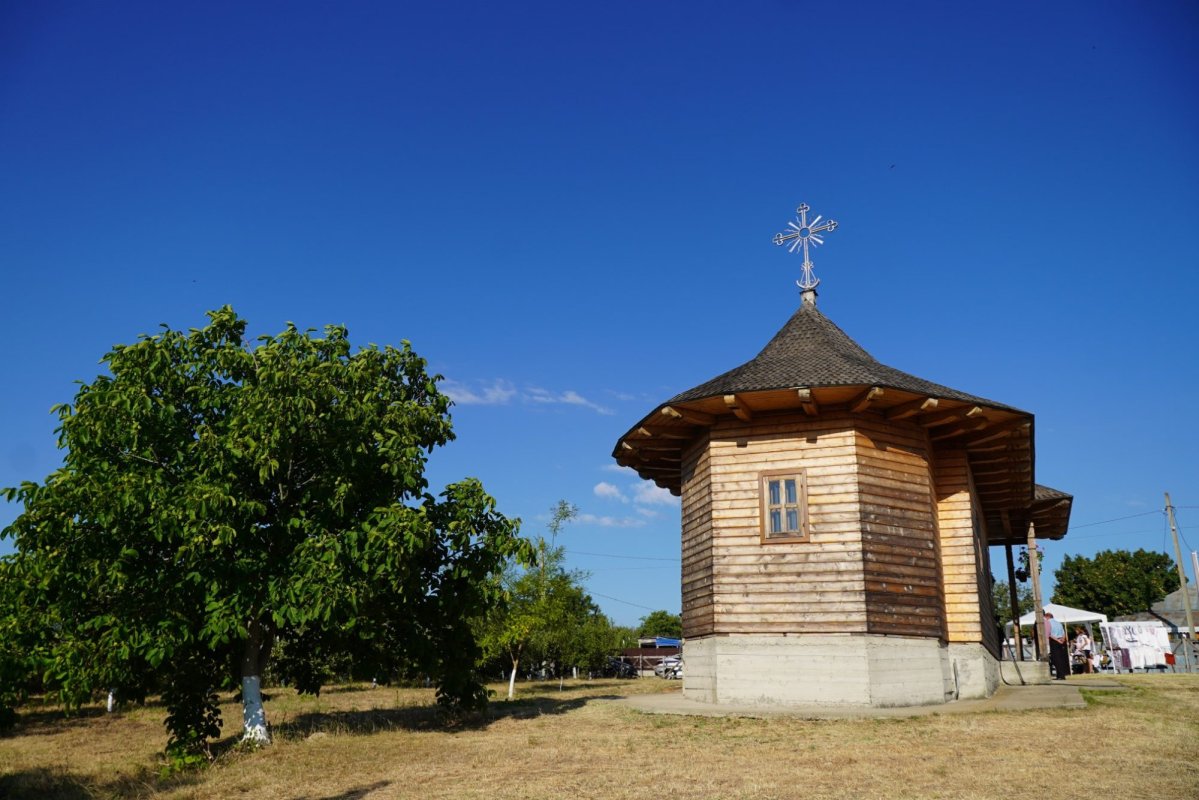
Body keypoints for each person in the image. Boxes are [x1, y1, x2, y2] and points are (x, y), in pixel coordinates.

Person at [1045, 611, 1069, 680]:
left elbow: (1049, 634)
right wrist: (1062, 640)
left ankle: (1060, 675)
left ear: (1047, 617)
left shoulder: (1048, 623)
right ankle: (1061, 675)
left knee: (1055, 659)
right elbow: (1063, 633)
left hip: (1054, 641)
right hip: (1061, 641)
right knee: (1061, 658)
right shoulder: (1059, 623)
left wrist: (1057, 640)